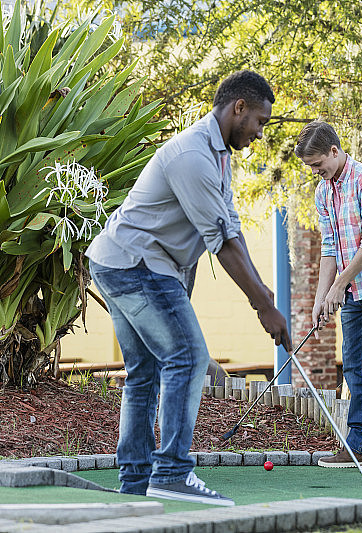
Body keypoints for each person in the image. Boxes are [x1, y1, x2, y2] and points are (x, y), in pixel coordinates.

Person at [86, 70, 291, 505]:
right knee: (187, 356)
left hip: (123, 262)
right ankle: (173, 473)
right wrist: (263, 308)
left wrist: (266, 296)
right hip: (136, 263)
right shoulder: (192, 157)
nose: (259, 132)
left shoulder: (218, 155)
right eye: (259, 121)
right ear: (239, 108)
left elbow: (230, 228)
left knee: (144, 373)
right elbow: (220, 245)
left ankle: (136, 482)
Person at [294, 121, 362, 473]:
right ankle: (355, 444)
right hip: (352, 288)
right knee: (354, 367)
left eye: (317, 164)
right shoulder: (323, 192)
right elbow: (330, 247)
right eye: (310, 167)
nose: (315, 171)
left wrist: (339, 286)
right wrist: (319, 297)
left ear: (334, 151)